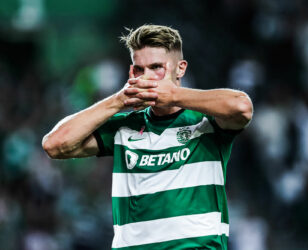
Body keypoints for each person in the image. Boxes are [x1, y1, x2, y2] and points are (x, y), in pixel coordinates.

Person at [42, 24, 253, 249]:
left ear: (180, 69)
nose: (148, 77)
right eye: (140, 69)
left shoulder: (207, 121)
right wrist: (118, 100)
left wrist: (173, 95)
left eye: (156, 67)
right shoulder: (124, 126)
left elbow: (242, 107)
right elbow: (55, 144)